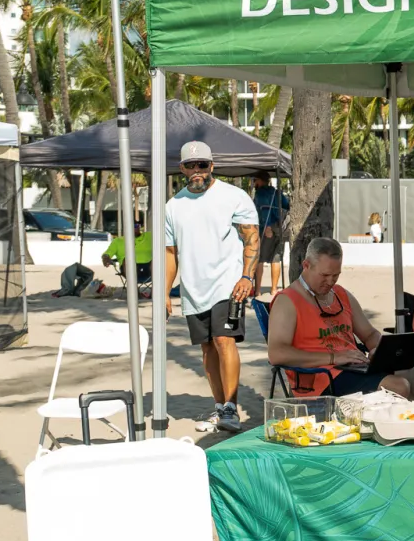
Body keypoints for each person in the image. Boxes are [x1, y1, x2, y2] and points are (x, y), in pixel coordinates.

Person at [165, 140, 260, 433]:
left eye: (202, 165)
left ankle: (231, 408)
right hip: (193, 289)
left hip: (228, 285)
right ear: (181, 169)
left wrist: (247, 276)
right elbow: (171, 254)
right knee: (207, 350)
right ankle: (220, 409)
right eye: (190, 166)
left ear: (212, 166)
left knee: (223, 341)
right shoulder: (173, 205)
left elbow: (252, 238)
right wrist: (165, 292)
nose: (197, 171)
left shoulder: (234, 196)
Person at [267, 238, 411, 398]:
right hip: (321, 378)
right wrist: (334, 358)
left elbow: (369, 334)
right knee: (398, 386)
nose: (330, 282)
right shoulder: (287, 300)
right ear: (306, 266)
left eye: (335, 275)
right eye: (325, 275)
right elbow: (276, 354)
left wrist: (380, 351)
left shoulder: (340, 294)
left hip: (353, 367)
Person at [252, 173, 288, 294]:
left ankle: (257, 291)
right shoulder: (276, 192)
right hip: (279, 229)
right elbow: (287, 205)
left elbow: (263, 209)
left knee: (260, 259)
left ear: (261, 180)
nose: (253, 183)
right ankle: (274, 289)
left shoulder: (260, 193)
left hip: (266, 228)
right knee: (275, 259)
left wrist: (267, 227)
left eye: (254, 180)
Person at [102, 218, 154, 297]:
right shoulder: (118, 241)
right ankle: (135, 293)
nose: (135, 228)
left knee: (156, 261)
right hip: (128, 269)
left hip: (150, 269)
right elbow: (107, 253)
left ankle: (155, 293)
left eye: (137, 225)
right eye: (132, 226)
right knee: (128, 260)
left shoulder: (149, 236)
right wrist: (106, 258)